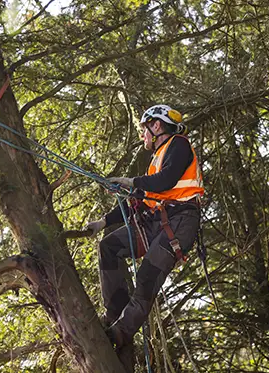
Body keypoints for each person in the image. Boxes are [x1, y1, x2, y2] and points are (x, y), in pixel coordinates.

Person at [85, 104, 204, 367]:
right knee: (108, 247)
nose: (143, 136)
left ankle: (120, 333)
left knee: (147, 277)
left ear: (156, 125)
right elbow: (138, 200)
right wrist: (103, 221)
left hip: (179, 221)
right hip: (155, 222)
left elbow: (166, 181)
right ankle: (114, 315)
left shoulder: (179, 145)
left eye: (144, 130)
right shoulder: (157, 160)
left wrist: (132, 181)